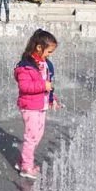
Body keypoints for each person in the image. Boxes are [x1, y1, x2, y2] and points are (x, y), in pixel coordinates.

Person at [14, 29, 59, 180]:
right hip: (29, 106)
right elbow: (25, 87)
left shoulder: (46, 64)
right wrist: (43, 86)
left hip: (41, 105)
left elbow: (49, 84)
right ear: (39, 47)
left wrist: (52, 99)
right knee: (31, 137)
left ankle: (22, 162)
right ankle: (26, 167)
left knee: (37, 135)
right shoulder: (26, 66)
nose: (50, 55)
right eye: (49, 51)